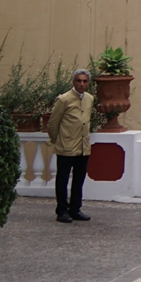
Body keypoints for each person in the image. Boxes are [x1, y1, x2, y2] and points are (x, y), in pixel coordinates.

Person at [47, 69, 95, 223]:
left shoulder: (89, 98)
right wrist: (57, 140)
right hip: (66, 146)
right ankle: (62, 210)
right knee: (62, 180)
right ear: (73, 82)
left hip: (83, 147)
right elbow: (53, 123)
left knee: (79, 180)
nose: (82, 84)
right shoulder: (64, 99)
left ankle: (75, 209)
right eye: (79, 81)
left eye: (84, 81)